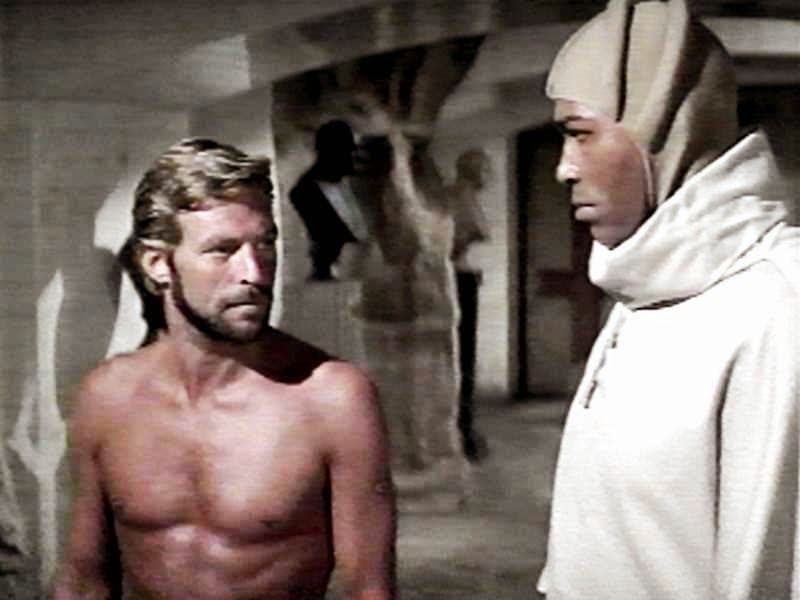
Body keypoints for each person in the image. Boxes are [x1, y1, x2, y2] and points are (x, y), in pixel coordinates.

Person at [53, 138, 396, 600]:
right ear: (158, 264)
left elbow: (369, 590)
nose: (254, 272)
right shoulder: (107, 397)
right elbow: (83, 581)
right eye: (223, 250)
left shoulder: (332, 398)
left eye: (266, 243)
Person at [537, 1, 800, 598]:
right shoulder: (650, 284)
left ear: (661, 134)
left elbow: (772, 572)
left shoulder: (775, 305)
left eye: (580, 134)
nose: (564, 169)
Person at [446, 149, 492, 462]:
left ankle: (465, 427)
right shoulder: (459, 198)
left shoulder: (466, 197)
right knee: (461, 358)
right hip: (456, 277)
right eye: (484, 168)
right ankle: (460, 430)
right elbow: (466, 235)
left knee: (465, 358)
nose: (489, 175)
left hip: (463, 275)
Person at [290, 120, 370, 281]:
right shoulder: (306, 193)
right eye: (347, 152)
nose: (352, 158)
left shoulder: (350, 185)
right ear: (330, 153)